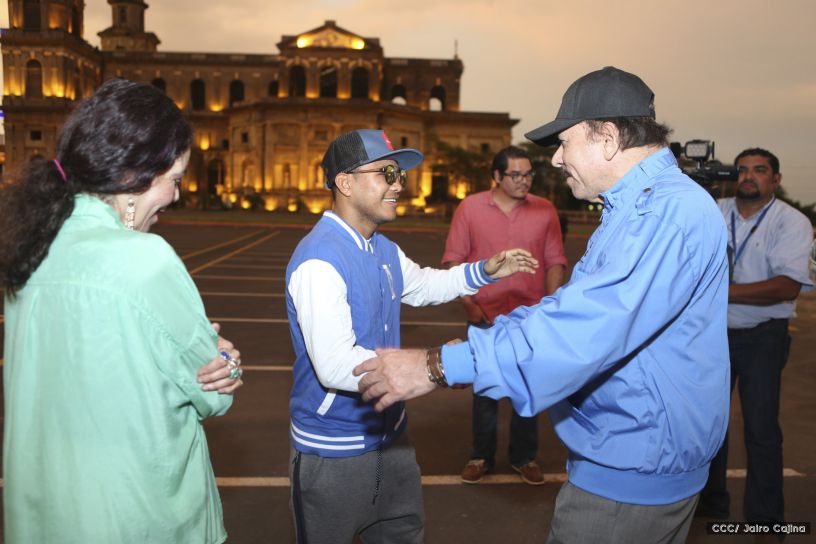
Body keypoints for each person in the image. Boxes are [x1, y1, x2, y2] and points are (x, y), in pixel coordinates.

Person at [355, 66, 731, 544]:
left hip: (631, 477)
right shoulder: (637, 209)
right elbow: (570, 307)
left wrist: (438, 364)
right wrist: (480, 342)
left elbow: (582, 328)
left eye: (565, 142)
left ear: (608, 139)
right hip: (628, 460)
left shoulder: (664, 213)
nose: (555, 160)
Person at [0, 79, 243, 544]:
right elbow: (213, 392)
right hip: (133, 512)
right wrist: (227, 360)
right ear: (135, 176)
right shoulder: (145, 259)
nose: (174, 197)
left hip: (43, 512)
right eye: (174, 180)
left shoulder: (30, 249)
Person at [286, 129, 539, 544]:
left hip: (393, 439)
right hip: (333, 453)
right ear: (345, 183)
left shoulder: (381, 247)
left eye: (400, 174)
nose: (399, 184)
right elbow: (334, 366)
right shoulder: (320, 259)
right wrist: (432, 364)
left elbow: (422, 285)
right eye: (387, 173)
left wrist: (484, 271)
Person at [697, 148, 814, 524]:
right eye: (743, 170)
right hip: (713, 334)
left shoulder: (791, 222)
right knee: (709, 425)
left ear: (775, 179)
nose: (748, 176)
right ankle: (709, 508)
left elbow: (786, 287)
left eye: (759, 170)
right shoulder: (714, 209)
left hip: (764, 335)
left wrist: (718, 291)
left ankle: (766, 519)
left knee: (761, 429)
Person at [443, 145, 566, 485]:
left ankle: (524, 457)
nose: (524, 181)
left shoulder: (545, 210)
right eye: (516, 175)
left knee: (527, 389)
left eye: (528, 174)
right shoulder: (470, 209)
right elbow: (455, 261)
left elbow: (555, 260)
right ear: (496, 176)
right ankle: (481, 455)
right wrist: (470, 305)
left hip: (530, 319)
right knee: (484, 390)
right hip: (485, 315)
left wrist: (550, 305)